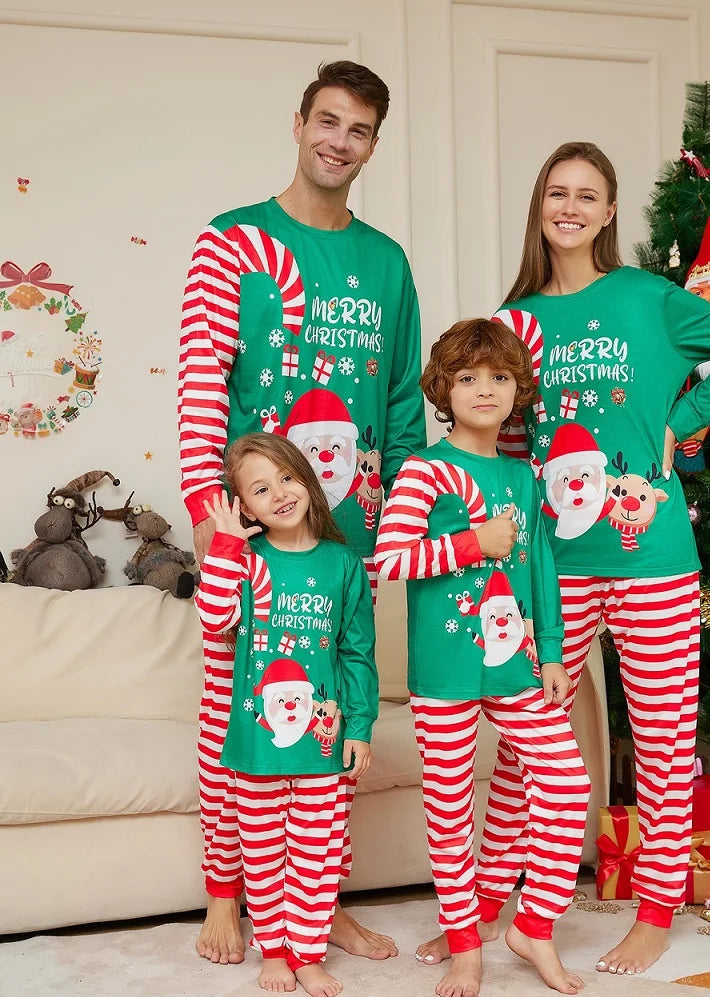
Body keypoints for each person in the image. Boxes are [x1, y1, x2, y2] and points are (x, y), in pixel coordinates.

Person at [415, 141, 710, 978]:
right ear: (540, 207)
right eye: (557, 193)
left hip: (651, 554)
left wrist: (687, 415)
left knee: (659, 739)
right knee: (522, 745)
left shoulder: (650, 299)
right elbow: (502, 443)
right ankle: (478, 915)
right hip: (550, 560)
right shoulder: (514, 323)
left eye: (588, 195)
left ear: (610, 212)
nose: (571, 208)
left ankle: (655, 913)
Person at [178, 59, 425, 965]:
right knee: (232, 717)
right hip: (249, 527)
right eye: (328, 121)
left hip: (347, 535)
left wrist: (400, 523)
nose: (339, 141)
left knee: (332, 725)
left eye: (359, 130)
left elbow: (400, 408)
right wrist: (213, 521)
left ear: (372, 145)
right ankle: (225, 896)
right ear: (298, 123)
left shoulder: (387, 262)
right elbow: (204, 387)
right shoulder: (232, 242)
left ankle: (319, 909)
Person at [375, 318, 591, 997]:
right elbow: (390, 557)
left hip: (516, 664)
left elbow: (542, 571)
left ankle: (535, 925)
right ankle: (467, 946)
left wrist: (552, 653)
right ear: (443, 388)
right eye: (467, 377)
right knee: (449, 811)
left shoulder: (523, 475)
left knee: (567, 784)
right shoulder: (424, 469)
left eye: (499, 377)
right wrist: (471, 543)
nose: (484, 389)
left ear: (518, 389)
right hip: (444, 673)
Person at [195, 432, 379, 996]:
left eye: (287, 478)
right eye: (259, 488)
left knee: (316, 858)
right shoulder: (246, 561)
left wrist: (362, 725)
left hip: (324, 742)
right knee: (264, 853)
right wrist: (226, 546)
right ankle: (273, 950)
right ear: (244, 507)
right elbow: (214, 620)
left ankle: (307, 953)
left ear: (308, 479)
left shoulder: (343, 564)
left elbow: (356, 651)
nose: (278, 493)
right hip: (256, 743)